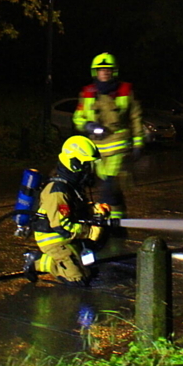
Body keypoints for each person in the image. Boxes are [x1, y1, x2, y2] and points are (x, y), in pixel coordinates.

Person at [22, 136, 108, 286]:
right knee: (78, 279)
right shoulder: (58, 191)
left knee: (89, 269)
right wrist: (90, 232)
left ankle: (76, 259)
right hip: (54, 239)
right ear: (75, 164)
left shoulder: (71, 184)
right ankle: (38, 261)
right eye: (87, 164)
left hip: (68, 236)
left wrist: (96, 210)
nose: (89, 169)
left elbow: (76, 207)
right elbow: (62, 226)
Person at [72, 52, 144, 226]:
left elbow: (135, 117)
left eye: (108, 69)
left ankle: (107, 224)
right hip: (96, 151)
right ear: (95, 72)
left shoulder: (125, 91)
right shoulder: (88, 92)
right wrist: (88, 125)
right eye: (101, 69)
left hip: (118, 149)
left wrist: (138, 143)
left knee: (108, 188)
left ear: (114, 72)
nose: (105, 72)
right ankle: (119, 222)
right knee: (111, 190)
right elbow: (78, 117)